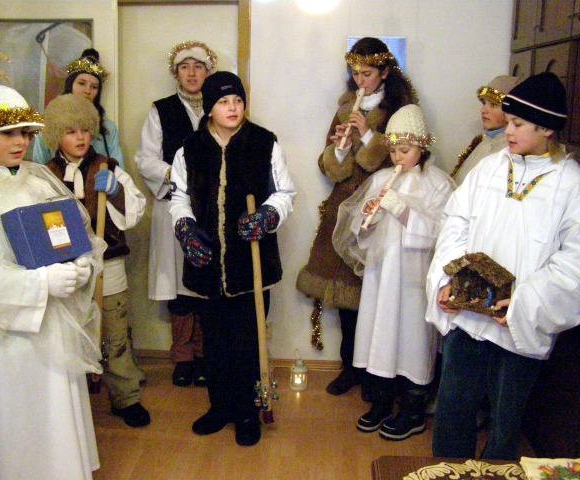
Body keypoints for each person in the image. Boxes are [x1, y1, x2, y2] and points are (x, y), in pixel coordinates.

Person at [0, 84, 105, 479]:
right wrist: (39, 284)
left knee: (58, 414)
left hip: (53, 325)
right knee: (20, 426)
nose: (21, 143)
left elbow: (71, 234)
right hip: (3, 339)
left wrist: (81, 264)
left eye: (26, 133)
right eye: (8, 133)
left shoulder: (37, 179)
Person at [426, 72, 580, 459]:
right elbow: (455, 222)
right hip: (467, 319)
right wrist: (449, 279)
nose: (507, 130)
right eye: (508, 121)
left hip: (517, 327)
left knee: (504, 423)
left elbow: (573, 261)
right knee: (452, 412)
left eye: (517, 123)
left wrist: (522, 302)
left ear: (546, 128)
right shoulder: (490, 168)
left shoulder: (570, 184)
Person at [168, 71, 296, 446]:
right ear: (210, 107)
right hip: (207, 265)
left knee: (247, 342)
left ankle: (247, 412)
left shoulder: (264, 143)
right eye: (224, 101)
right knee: (215, 342)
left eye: (238, 100)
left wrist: (268, 215)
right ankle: (220, 406)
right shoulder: (190, 149)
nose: (233, 107)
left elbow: (285, 192)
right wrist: (186, 229)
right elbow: (179, 198)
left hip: (250, 267)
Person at [296, 37, 417, 398]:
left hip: (381, 207)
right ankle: (350, 367)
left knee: (376, 295)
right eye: (356, 73)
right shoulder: (346, 107)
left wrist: (367, 135)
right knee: (347, 299)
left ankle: (375, 375)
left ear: (384, 72)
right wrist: (340, 149)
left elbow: (397, 161)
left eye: (367, 73)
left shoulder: (400, 109)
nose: (360, 80)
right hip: (345, 206)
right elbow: (330, 166)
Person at [333, 104, 454, 440]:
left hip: (414, 278)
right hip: (381, 274)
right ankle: (381, 401)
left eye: (406, 150)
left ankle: (413, 410)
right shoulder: (380, 180)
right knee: (380, 332)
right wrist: (368, 218)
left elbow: (443, 235)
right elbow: (360, 231)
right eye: (394, 151)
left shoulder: (438, 184)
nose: (398, 158)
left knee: (413, 338)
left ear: (422, 147)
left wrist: (402, 210)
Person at [42, 94, 150, 427]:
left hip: (109, 264)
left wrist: (116, 191)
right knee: (71, 332)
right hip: (67, 268)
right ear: (56, 135)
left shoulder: (108, 167)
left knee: (115, 334)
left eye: (85, 130)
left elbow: (135, 211)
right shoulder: (45, 175)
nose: (80, 138)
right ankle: (71, 402)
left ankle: (126, 396)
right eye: (71, 131)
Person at [135, 40, 217, 387]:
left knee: (206, 282)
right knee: (179, 286)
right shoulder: (161, 110)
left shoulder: (221, 107)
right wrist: (177, 173)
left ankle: (205, 355)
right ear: (176, 73)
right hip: (172, 207)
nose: (192, 73)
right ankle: (183, 357)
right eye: (185, 67)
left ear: (208, 72)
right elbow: (145, 159)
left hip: (210, 209)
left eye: (198, 67)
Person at [33, 48, 125, 168]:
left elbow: (119, 171)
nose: (87, 91)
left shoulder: (108, 128)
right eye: (81, 83)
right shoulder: (49, 124)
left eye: (94, 87)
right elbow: (38, 170)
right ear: (70, 85)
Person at [451, 75, 519, 184]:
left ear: (511, 112)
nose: (483, 110)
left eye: (493, 105)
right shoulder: (484, 140)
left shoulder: (510, 150)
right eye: (484, 103)